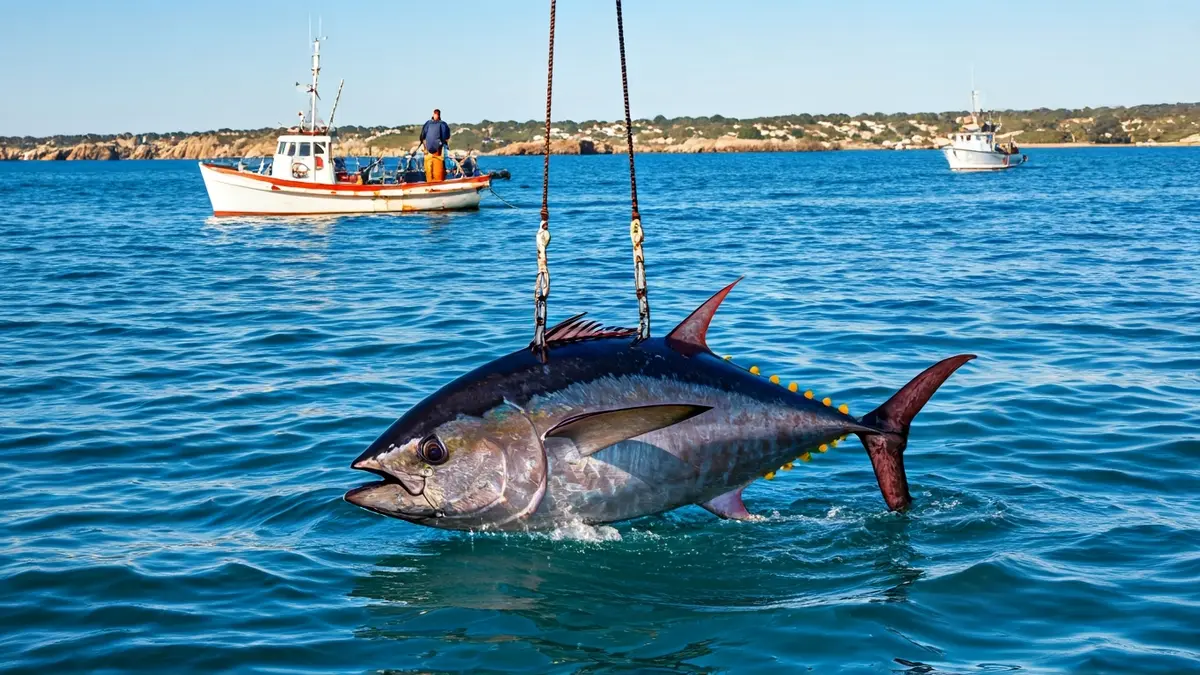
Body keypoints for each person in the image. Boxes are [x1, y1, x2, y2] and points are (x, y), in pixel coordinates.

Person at [420, 109, 451, 182]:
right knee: (437, 176)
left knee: (430, 175)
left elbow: (422, 137)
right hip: (436, 155)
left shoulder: (428, 124)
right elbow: (446, 138)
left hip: (429, 154)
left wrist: (425, 148)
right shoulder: (442, 124)